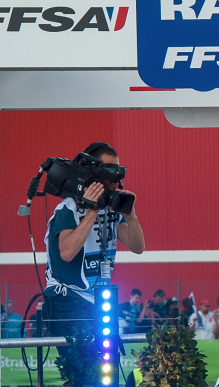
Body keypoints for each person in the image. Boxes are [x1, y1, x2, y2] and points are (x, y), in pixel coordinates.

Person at [40, 142, 143, 336]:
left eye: (118, 172)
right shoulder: (68, 208)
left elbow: (137, 247)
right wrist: (92, 212)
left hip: (97, 299)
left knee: (106, 353)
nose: (115, 179)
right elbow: (67, 253)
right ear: (93, 174)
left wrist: (131, 217)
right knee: (83, 355)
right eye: (110, 171)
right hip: (67, 297)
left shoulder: (112, 210)